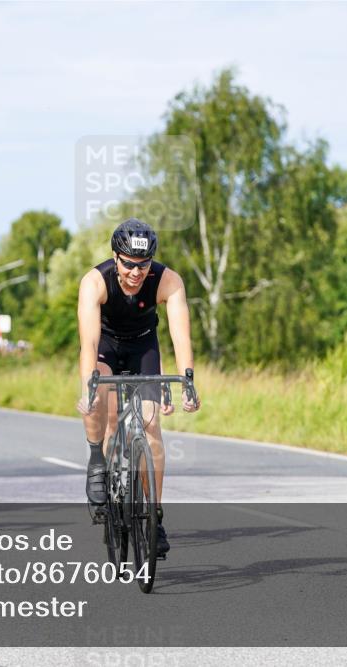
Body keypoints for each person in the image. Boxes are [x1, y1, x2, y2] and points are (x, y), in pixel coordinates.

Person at [76, 218, 201, 558]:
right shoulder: (95, 282)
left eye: (143, 265)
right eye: (129, 264)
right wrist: (89, 386)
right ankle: (97, 459)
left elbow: (180, 335)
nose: (135, 272)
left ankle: (154, 518)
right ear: (116, 257)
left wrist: (187, 380)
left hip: (144, 345)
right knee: (100, 401)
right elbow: (88, 342)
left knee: (151, 427)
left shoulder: (168, 280)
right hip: (106, 345)